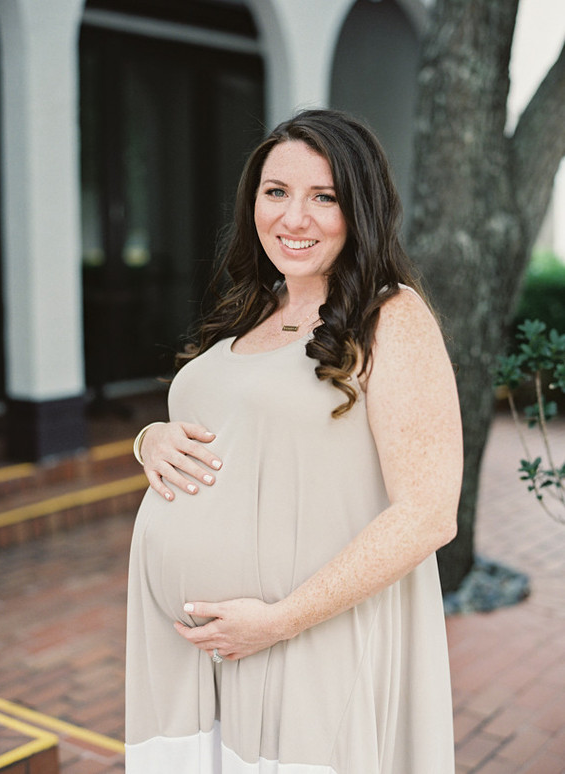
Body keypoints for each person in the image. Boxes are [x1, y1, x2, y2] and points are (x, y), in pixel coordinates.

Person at [125, 108, 463, 774]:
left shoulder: (390, 316)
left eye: (324, 196)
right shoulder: (254, 307)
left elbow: (428, 513)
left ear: (362, 209)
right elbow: (232, 426)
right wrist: (149, 440)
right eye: (276, 191)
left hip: (306, 646)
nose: (293, 217)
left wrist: (278, 621)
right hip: (190, 663)